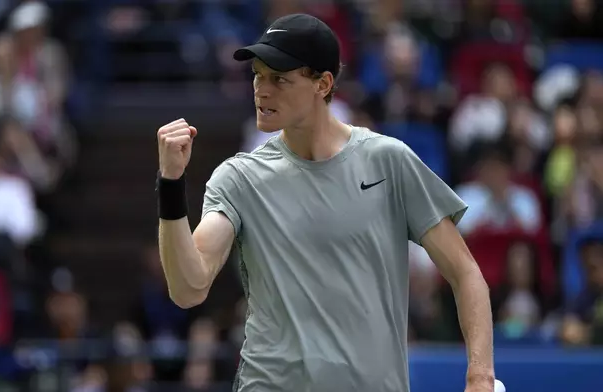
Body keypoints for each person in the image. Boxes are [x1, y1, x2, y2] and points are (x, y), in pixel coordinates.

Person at [156, 14, 495, 392]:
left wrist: (479, 377)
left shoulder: (389, 161)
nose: (261, 90)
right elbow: (189, 288)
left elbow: (466, 274)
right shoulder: (239, 178)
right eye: (257, 74)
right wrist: (171, 184)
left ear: (323, 83)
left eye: (279, 78)